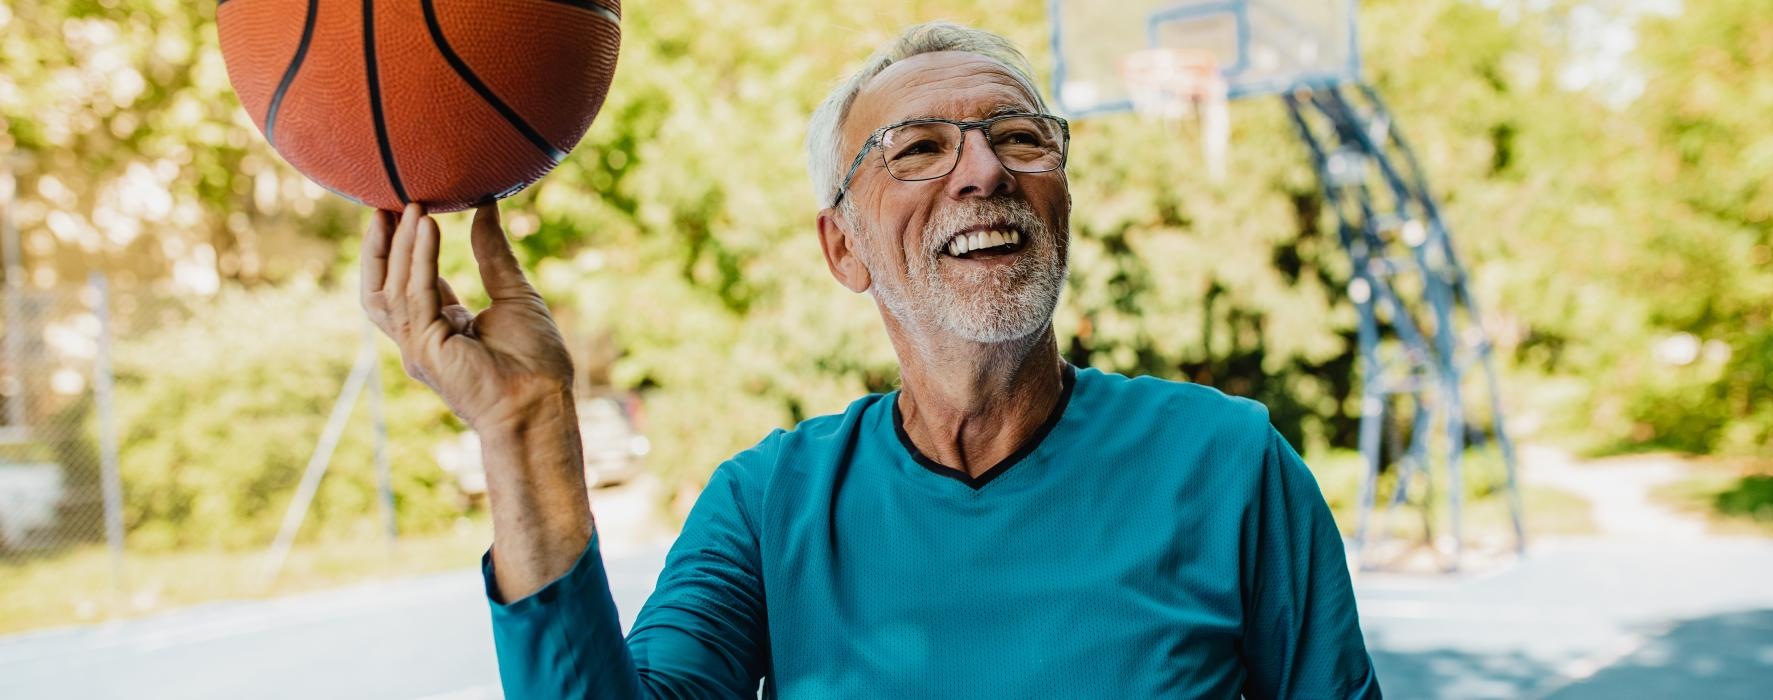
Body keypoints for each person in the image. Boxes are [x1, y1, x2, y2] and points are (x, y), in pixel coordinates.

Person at [360, 21, 1380, 699]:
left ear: (1064, 198)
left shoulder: (1230, 464)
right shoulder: (768, 506)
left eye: (1020, 136)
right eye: (918, 150)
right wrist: (527, 436)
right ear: (842, 246)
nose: (983, 169)